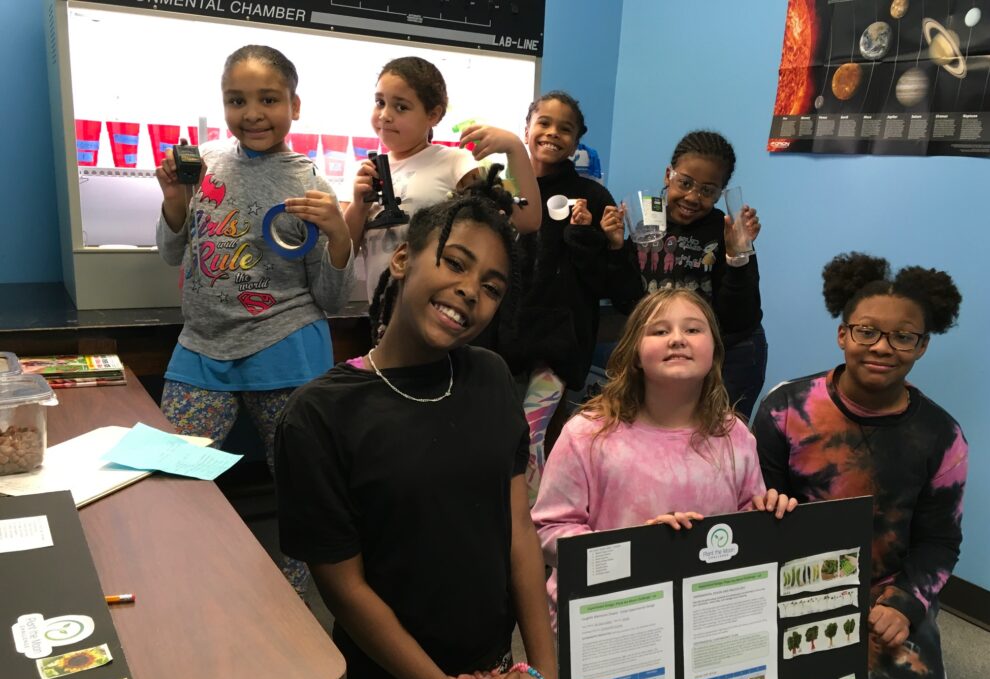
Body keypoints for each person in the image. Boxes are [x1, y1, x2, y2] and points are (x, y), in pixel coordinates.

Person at [276, 166, 556, 679]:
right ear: (403, 258)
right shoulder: (321, 415)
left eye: (492, 286)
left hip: (491, 672)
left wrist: (541, 664)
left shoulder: (490, 379)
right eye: (454, 263)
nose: (469, 291)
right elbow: (344, 591)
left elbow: (518, 529)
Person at [752, 253, 967, 679]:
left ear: (922, 345)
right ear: (843, 334)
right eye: (867, 331)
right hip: (789, 584)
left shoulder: (942, 435)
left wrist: (906, 604)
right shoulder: (785, 408)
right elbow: (752, 509)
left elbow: (941, 542)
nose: (882, 348)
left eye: (902, 337)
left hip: (883, 596)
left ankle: (919, 647)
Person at [155, 45, 354, 593]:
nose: (253, 113)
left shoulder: (309, 183)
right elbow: (174, 252)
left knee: (297, 482)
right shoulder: (207, 166)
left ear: (294, 104)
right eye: (236, 100)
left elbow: (332, 298)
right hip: (201, 346)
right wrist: (174, 199)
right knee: (171, 473)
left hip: (284, 346)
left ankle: (294, 595)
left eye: (268, 99)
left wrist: (338, 232)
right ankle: (179, 582)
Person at [531, 288, 796, 628]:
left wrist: (765, 516)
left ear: (714, 351)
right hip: (611, 621)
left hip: (707, 618)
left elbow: (743, 523)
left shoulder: (735, 436)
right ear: (635, 354)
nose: (677, 339)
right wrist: (638, 549)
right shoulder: (587, 434)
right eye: (659, 331)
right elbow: (548, 532)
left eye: (693, 329)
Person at [497, 91, 643, 504]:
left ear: (578, 141)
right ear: (526, 127)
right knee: (495, 437)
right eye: (544, 122)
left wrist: (592, 238)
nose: (553, 133)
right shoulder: (500, 187)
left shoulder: (593, 198)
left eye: (566, 128)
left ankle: (531, 536)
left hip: (558, 347)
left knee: (530, 435)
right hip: (500, 343)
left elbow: (619, 291)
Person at [343, 56, 541, 303]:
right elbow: (343, 254)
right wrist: (358, 206)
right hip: (383, 321)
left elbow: (527, 220)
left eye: (401, 107)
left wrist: (515, 147)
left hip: (438, 315)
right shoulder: (368, 173)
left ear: (434, 115)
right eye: (380, 102)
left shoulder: (455, 163)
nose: (385, 115)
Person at [606, 130, 766, 418]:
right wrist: (617, 249)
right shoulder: (645, 221)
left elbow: (739, 316)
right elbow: (628, 300)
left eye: (707, 191)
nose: (693, 197)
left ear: (720, 193)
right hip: (668, 347)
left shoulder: (725, 229)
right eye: (685, 183)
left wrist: (737, 254)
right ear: (669, 175)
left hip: (731, 352)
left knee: (721, 437)